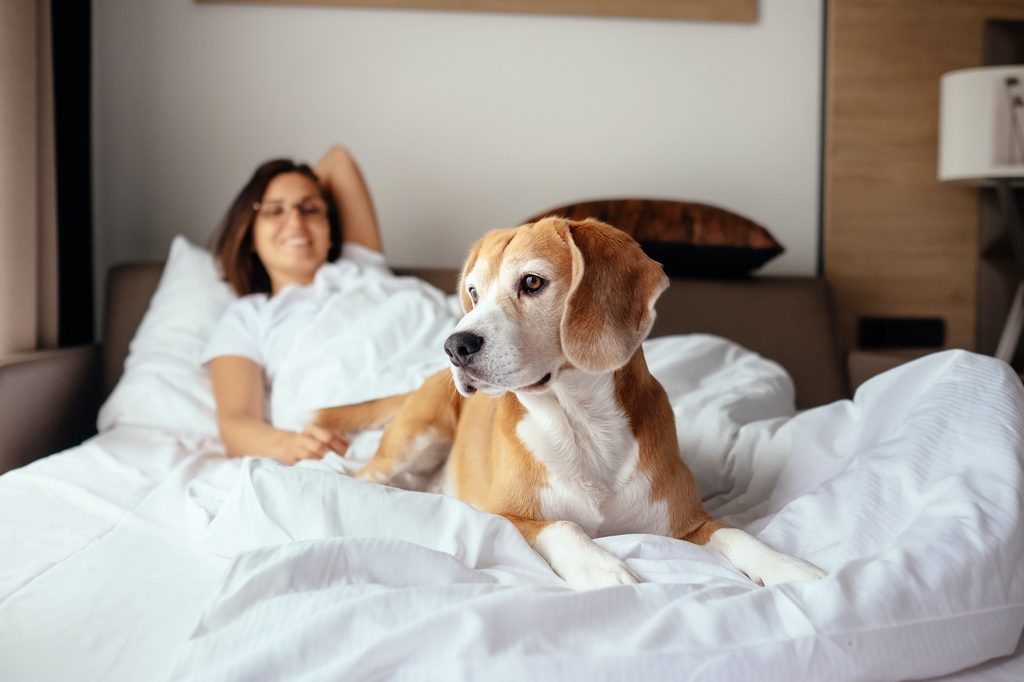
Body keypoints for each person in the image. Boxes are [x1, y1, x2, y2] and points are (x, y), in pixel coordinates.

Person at [202, 145, 384, 465]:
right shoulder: (248, 317)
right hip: (350, 437)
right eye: (274, 211)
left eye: (310, 209)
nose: (295, 220)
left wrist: (294, 187)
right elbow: (236, 423)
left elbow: (338, 159)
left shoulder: (361, 269)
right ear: (251, 236)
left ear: (330, 232)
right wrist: (291, 445)